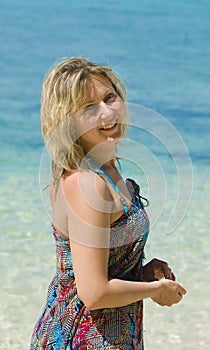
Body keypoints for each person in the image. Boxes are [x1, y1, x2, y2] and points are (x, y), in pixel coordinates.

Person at [30, 57, 186, 349]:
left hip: (112, 334)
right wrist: (154, 291)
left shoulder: (106, 167)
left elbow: (97, 272)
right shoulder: (86, 182)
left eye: (109, 98)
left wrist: (141, 273)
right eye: (89, 108)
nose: (106, 113)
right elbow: (94, 293)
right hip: (83, 338)